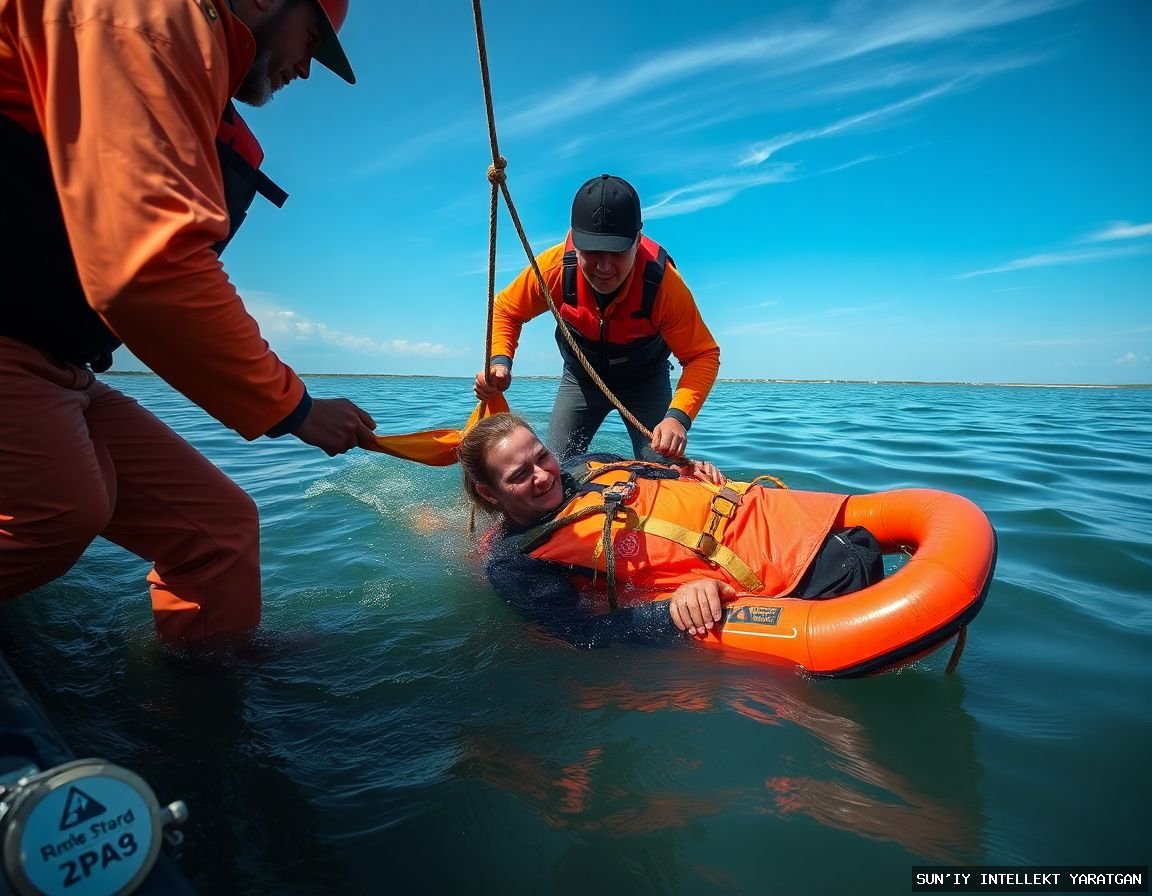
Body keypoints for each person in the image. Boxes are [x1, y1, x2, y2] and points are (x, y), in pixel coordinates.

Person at [0, 0, 378, 643]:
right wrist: (298, 409)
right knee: (58, 510)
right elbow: (147, 267)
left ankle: (200, 711)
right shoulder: (140, 19)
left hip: (59, 363)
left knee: (221, 530)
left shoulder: (191, 67)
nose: (308, 70)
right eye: (312, 38)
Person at [459, 414, 884, 648]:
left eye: (542, 457)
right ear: (489, 493)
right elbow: (582, 634)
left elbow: (656, 475)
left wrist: (690, 472)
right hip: (791, 582)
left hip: (793, 531)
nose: (542, 476)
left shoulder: (590, 465)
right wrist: (674, 608)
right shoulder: (517, 563)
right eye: (519, 475)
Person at [473, 174, 720, 463]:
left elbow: (703, 355)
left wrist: (678, 418)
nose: (604, 267)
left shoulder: (663, 285)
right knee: (557, 467)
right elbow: (506, 309)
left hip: (646, 382)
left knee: (663, 472)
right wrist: (500, 361)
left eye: (617, 252)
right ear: (574, 241)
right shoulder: (554, 269)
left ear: (637, 240)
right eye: (591, 252)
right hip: (582, 379)